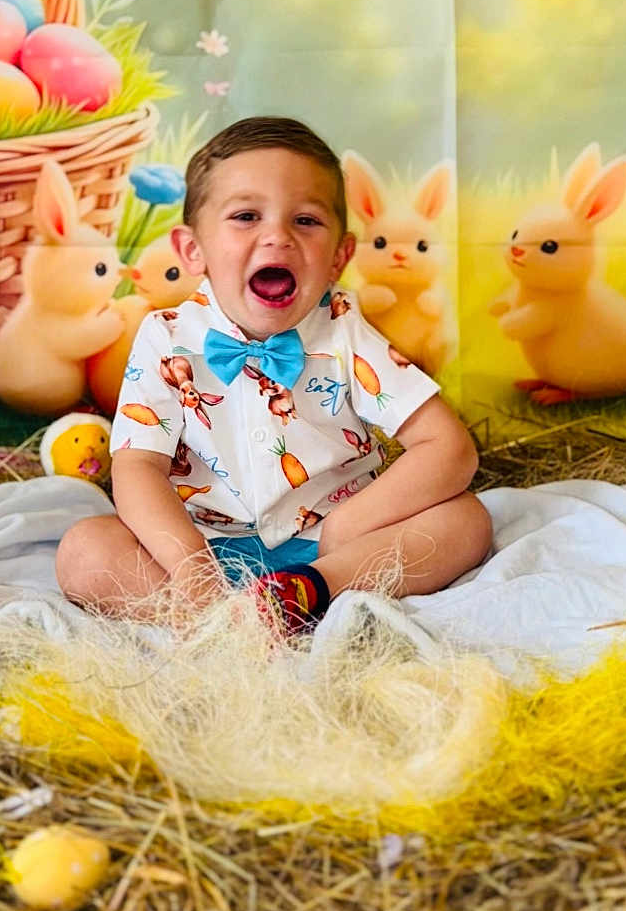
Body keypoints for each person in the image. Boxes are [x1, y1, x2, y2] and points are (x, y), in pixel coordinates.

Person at [55, 116, 493, 632]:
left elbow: (449, 448)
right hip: (202, 546)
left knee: (467, 523)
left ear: (339, 257)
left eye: (305, 221)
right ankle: (214, 623)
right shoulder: (165, 336)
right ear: (192, 250)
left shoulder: (343, 328)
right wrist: (192, 571)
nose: (277, 238)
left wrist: (355, 521)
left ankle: (309, 596)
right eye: (245, 216)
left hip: (335, 546)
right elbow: (137, 468)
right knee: (83, 551)